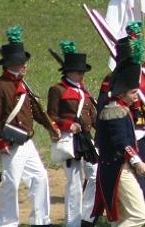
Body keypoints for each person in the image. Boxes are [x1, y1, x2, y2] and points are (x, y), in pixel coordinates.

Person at [0, 26, 59, 227]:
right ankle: (7, 223)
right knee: (11, 184)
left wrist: (50, 126)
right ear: (13, 64)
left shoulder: (22, 84)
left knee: (40, 177)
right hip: (10, 143)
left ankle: (41, 220)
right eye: (22, 63)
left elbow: (35, 112)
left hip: (27, 142)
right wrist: (0, 143)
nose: (25, 65)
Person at [92, 40, 145, 227]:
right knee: (138, 216)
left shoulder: (120, 108)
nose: (136, 96)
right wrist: (137, 161)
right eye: (133, 92)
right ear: (123, 92)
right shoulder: (115, 111)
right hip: (118, 168)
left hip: (120, 166)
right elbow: (121, 142)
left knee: (122, 218)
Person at [47, 42, 98, 227]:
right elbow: (51, 117)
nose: (81, 74)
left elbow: (92, 114)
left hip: (86, 138)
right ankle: (73, 223)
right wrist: (68, 125)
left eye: (82, 71)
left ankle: (86, 217)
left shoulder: (84, 91)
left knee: (95, 175)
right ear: (68, 72)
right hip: (70, 139)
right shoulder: (57, 89)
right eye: (78, 71)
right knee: (74, 182)